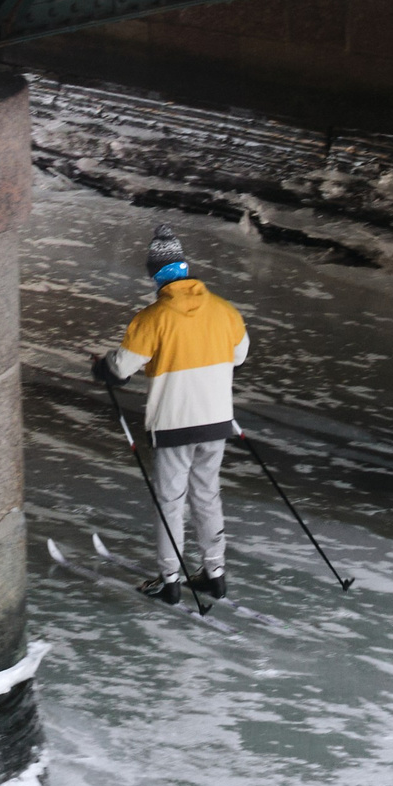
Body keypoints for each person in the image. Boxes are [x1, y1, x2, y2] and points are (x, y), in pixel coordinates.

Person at [94, 223, 248, 603]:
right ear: (185, 268)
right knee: (207, 495)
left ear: (155, 275)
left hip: (175, 426)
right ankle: (214, 573)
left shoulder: (152, 318)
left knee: (170, 503)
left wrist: (101, 368)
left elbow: (121, 369)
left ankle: (170, 580)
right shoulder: (225, 311)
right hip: (217, 422)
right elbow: (239, 357)